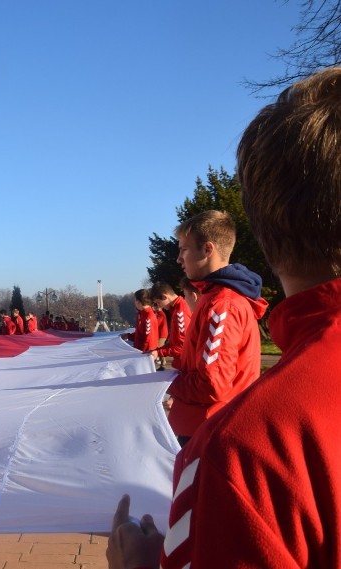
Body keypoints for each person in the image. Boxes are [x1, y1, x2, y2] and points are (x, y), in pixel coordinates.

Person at [108, 67, 341, 568]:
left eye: (184, 251)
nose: (178, 261)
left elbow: (212, 380)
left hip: (206, 424)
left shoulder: (240, 455)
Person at [166, 210, 268, 447]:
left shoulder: (222, 305)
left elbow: (212, 385)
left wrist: (163, 383)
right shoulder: (212, 298)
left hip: (209, 433)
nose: (178, 259)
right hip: (204, 429)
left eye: (183, 249)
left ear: (208, 249)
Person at [149, 282, 191, 370]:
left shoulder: (180, 312)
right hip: (183, 363)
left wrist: (159, 352)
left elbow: (182, 346)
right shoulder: (176, 309)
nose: (159, 306)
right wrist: (157, 350)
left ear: (165, 296)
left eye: (158, 302)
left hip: (186, 364)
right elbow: (175, 342)